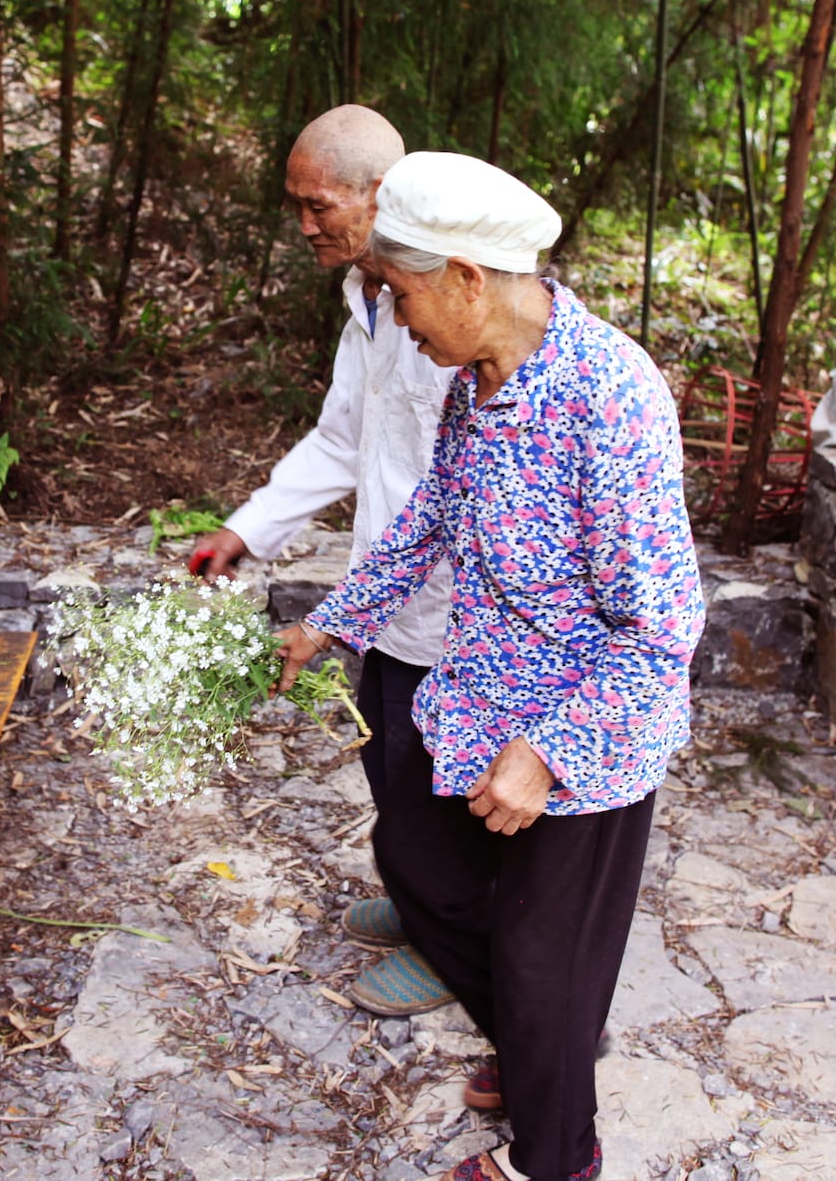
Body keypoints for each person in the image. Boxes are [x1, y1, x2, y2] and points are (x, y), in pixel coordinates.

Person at [275, 151, 706, 1181]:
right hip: (480, 698)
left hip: (589, 725)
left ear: (468, 278)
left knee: (539, 956)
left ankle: (555, 1154)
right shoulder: (480, 380)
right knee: (420, 868)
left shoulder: (611, 397)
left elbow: (661, 628)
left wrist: (548, 755)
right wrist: (336, 621)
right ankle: (535, 1042)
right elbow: (433, 516)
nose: (399, 320)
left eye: (403, 294)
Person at [183, 104, 462, 1016]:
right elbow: (342, 440)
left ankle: (450, 939)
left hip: (458, 602)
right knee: (393, 760)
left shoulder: (447, 313)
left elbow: (465, 480)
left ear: (380, 195)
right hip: (387, 592)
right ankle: (425, 897)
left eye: (318, 204)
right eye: (296, 205)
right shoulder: (368, 306)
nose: (304, 223)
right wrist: (247, 529)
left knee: (440, 772)